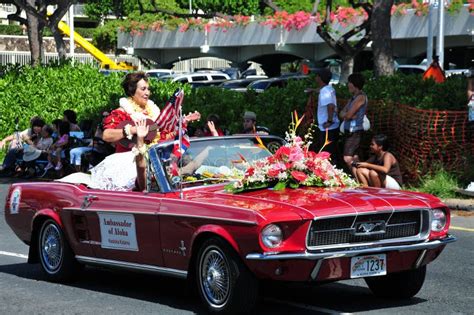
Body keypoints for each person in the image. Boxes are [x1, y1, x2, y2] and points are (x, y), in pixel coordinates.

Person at [102, 72, 161, 153]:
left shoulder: (154, 112)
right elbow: (106, 135)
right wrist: (131, 130)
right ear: (132, 91)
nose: (147, 93)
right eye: (143, 89)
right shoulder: (123, 111)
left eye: (148, 89)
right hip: (128, 161)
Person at [339, 73, 368, 172]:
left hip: (354, 131)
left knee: (347, 158)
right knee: (355, 157)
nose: (348, 85)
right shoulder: (352, 98)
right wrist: (347, 115)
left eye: (350, 82)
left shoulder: (360, 97)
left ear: (355, 84)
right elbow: (342, 114)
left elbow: (347, 115)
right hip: (349, 131)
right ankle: (362, 179)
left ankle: (358, 179)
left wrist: (347, 115)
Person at [313, 68, 339, 162]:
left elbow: (330, 106)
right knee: (332, 152)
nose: (315, 77)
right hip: (333, 127)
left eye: (317, 76)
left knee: (327, 155)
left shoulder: (324, 91)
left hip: (327, 127)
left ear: (320, 78)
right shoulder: (329, 88)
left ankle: (331, 174)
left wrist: (329, 121)